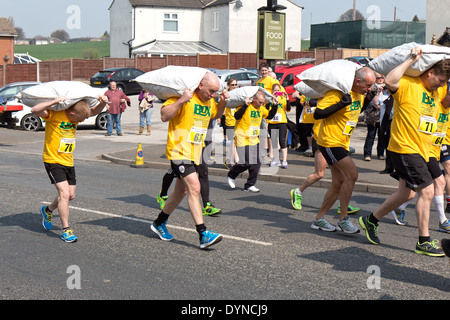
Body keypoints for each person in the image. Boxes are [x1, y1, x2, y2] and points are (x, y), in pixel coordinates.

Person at [359, 48, 450, 257]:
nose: (442, 85)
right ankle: (423, 241)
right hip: (404, 148)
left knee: (406, 193)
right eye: (441, 80)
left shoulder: (436, 92)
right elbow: (390, 80)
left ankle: (370, 220)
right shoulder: (410, 85)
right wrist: (411, 59)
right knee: (427, 190)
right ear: (430, 73)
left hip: (425, 151)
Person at [151, 71, 229, 249]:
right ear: (200, 85)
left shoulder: (208, 101)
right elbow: (164, 115)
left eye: (215, 92)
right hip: (179, 151)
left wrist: (222, 102)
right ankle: (203, 234)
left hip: (195, 152)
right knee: (194, 187)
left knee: (181, 192)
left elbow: (215, 116)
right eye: (211, 91)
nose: (213, 95)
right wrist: (181, 101)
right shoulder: (185, 96)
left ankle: (159, 223)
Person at [32, 95, 108, 242]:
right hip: (53, 160)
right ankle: (66, 230)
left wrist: (102, 103)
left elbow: (92, 112)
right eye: (80, 120)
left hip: (68, 161)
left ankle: (47, 211)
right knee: (64, 194)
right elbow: (35, 110)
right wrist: (54, 101)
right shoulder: (54, 114)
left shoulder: (78, 113)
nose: (81, 122)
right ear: (72, 113)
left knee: (70, 195)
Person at [312, 67, 376, 233]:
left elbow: (353, 112)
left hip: (342, 142)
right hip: (330, 141)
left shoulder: (360, 95)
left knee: (338, 182)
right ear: (357, 81)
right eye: (367, 85)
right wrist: (340, 104)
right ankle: (344, 219)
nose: (369, 88)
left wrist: (368, 99)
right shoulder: (338, 93)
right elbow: (318, 114)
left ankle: (319, 219)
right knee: (352, 174)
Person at [290, 92, 360, 215]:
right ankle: (298, 191)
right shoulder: (325, 98)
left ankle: (342, 205)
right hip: (322, 139)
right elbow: (313, 104)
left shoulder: (336, 96)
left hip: (339, 141)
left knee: (342, 177)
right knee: (319, 174)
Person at [227, 91, 278, 192]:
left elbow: (269, 115)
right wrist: (245, 106)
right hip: (242, 137)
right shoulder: (245, 106)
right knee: (246, 162)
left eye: (263, 102)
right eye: (260, 102)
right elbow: (237, 116)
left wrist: (275, 106)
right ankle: (231, 175)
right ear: (253, 99)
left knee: (257, 162)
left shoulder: (261, 108)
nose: (261, 104)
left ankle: (249, 185)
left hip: (254, 138)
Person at [267, 83, 290, 168]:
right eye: (275, 90)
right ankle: (276, 160)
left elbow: (288, 109)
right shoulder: (269, 99)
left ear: (280, 91)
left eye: (278, 90)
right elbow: (266, 108)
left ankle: (284, 161)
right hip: (272, 123)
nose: (276, 92)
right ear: (272, 91)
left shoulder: (283, 98)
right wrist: (271, 99)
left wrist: (287, 99)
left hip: (282, 123)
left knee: (282, 141)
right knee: (274, 143)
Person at [363, 73, 385, 161]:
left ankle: (380, 153)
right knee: (371, 135)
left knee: (382, 136)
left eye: (381, 78)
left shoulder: (387, 88)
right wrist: (377, 92)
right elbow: (370, 101)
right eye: (378, 78)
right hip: (373, 115)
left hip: (383, 115)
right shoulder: (372, 88)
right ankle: (367, 154)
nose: (380, 79)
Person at [223, 78, 239, 168]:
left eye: (235, 84)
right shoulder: (226, 94)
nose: (234, 86)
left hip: (237, 122)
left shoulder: (238, 94)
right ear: (228, 85)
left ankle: (228, 160)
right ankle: (236, 161)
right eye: (232, 85)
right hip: (229, 122)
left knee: (235, 143)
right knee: (232, 143)